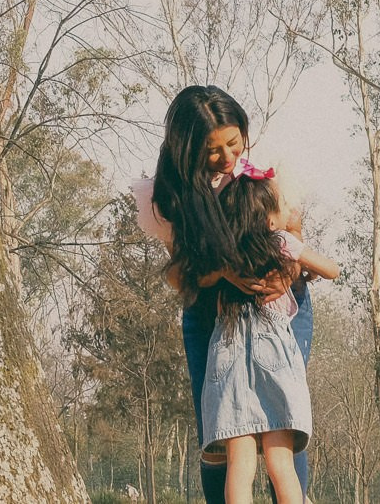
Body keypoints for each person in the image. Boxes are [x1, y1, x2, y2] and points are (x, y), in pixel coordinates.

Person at [133, 85, 337, 504]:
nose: (227, 157)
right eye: (212, 150)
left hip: (280, 313)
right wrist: (224, 271)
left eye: (233, 142)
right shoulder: (173, 195)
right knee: (224, 432)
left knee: (282, 419)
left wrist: (286, 273)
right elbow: (178, 275)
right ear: (188, 148)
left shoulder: (265, 171)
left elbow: (292, 236)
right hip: (214, 317)